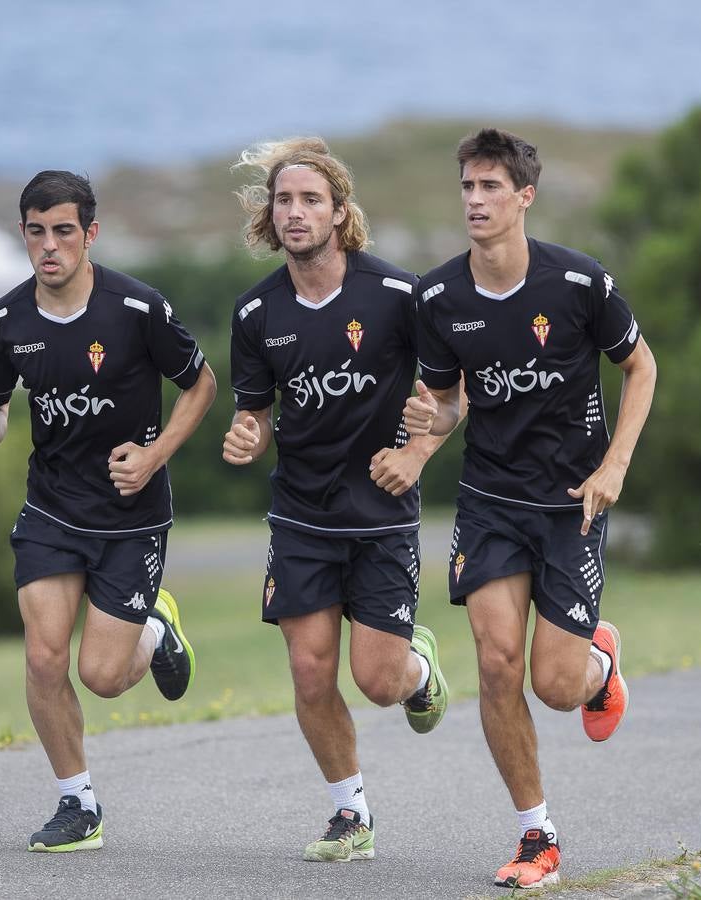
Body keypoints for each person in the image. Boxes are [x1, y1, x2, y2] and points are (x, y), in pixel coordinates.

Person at [403, 128, 657, 890]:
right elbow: (450, 406)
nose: (476, 201)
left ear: (524, 197)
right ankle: (535, 834)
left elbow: (641, 368)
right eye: (467, 188)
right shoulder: (439, 297)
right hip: (489, 501)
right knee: (495, 661)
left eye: (490, 188)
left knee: (554, 683)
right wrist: (428, 428)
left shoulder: (579, 284)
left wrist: (615, 464)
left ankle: (598, 661)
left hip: (570, 503)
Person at [0, 170, 217, 852]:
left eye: (64, 232)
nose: (50, 246)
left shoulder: (137, 310)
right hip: (50, 509)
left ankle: (156, 630)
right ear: (24, 234)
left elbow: (201, 385)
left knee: (101, 676)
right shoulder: (4, 321)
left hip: (132, 517)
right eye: (37, 232)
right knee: (45, 657)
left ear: (89, 235)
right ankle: (78, 804)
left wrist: (156, 454)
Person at [222, 138, 460, 863]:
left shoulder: (396, 295)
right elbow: (257, 413)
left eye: (310, 200)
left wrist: (418, 449)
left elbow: (455, 391)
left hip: (382, 515)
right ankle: (349, 814)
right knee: (309, 669)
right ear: (269, 217)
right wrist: (247, 434)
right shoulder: (256, 313)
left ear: (339, 212)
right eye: (283, 201)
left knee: (378, 682)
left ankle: (419, 669)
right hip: (301, 515)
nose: (294, 213)